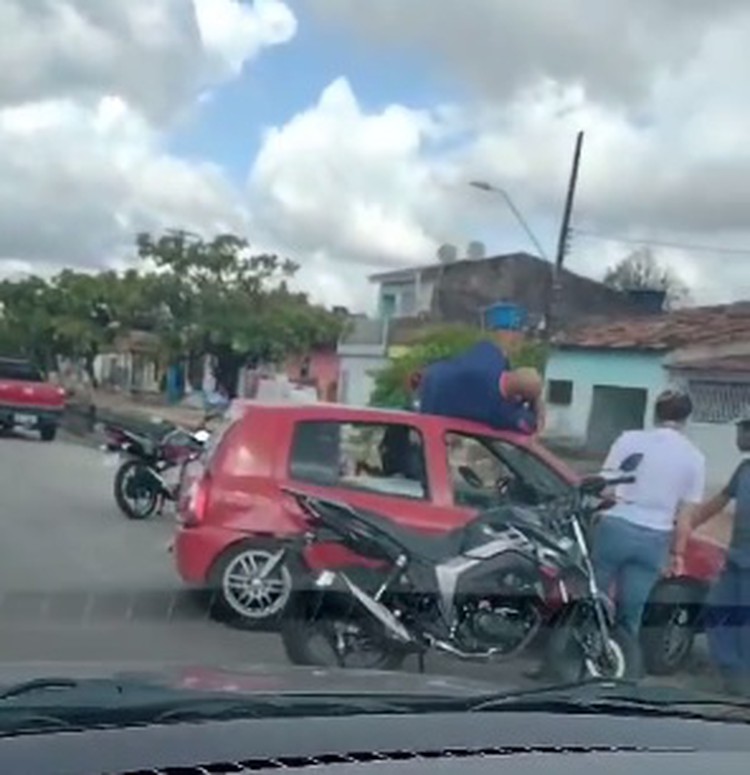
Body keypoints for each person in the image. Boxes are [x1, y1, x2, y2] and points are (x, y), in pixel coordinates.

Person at [591, 389, 706, 677]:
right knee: (633, 611)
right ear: (686, 418)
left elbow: (604, 487)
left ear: (655, 413)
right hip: (654, 537)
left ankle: (585, 655)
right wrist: (677, 554)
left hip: (616, 526)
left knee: (595, 600)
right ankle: (623, 669)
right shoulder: (695, 458)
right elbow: (685, 516)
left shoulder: (628, 440)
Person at [674, 410, 750, 695]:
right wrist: (683, 526)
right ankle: (734, 674)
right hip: (736, 559)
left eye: (743, 429)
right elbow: (715, 505)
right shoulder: (743, 470)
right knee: (718, 611)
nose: (738, 436)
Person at [418, 340, 545, 434]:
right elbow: (531, 427)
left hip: (428, 375)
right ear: (518, 397)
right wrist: (536, 401)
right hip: (429, 411)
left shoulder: (491, 356)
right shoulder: (500, 412)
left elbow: (498, 351)